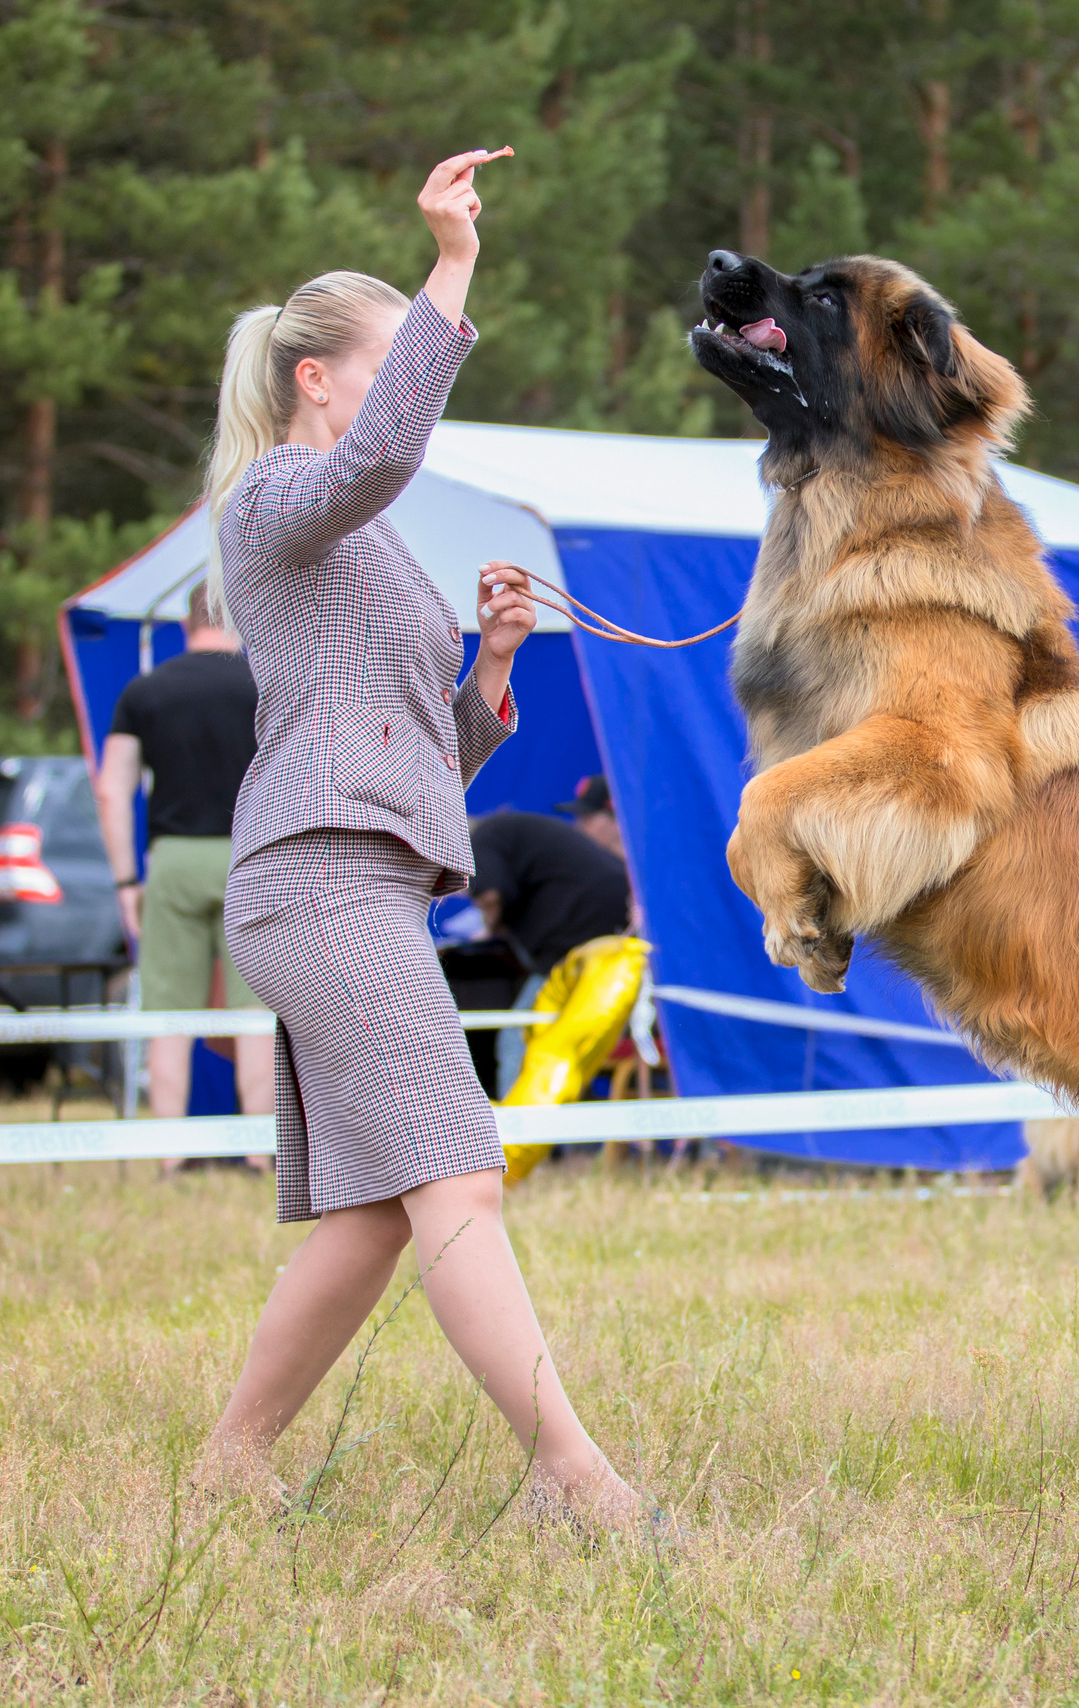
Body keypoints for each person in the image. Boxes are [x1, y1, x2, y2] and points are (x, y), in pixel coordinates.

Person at [191, 147, 642, 1528]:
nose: (401, 396)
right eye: (387, 363)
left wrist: (493, 667)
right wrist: (453, 263)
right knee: (456, 1182)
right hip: (319, 878)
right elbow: (391, 445)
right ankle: (574, 1478)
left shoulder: (355, 540)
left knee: (381, 1211)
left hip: (354, 871)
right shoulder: (276, 498)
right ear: (314, 379)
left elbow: (419, 755)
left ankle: (229, 1464)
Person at [95, 583, 275, 1163]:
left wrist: (127, 881)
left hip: (172, 858)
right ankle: (257, 1153)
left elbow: (111, 789)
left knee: (169, 1011)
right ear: (240, 617)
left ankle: (170, 1156)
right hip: (250, 855)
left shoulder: (144, 692)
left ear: (184, 623)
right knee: (254, 1012)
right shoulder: (263, 682)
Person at [468, 801, 632, 1094]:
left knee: (519, 1036)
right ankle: (564, 1133)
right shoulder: (509, 834)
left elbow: (490, 894)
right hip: (603, 937)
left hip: (576, 941)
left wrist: (488, 928)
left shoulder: (481, 839)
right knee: (564, 1042)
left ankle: (520, 1135)